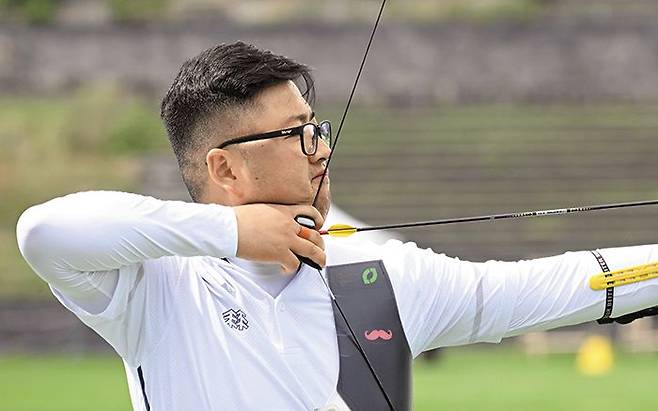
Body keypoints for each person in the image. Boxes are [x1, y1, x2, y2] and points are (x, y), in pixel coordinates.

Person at [15, 42, 658, 411]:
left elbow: (570, 283)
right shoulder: (154, 287)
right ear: (225, 169)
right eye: (297, 136)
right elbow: (44, 231)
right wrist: (235, 234)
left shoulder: (383, 277)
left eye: (316, 128)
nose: (321, 149)